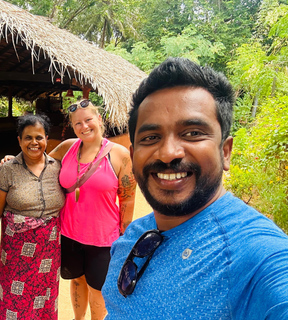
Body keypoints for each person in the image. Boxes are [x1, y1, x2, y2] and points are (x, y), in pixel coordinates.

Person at [101, 57, 288, 319]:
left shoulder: (258, 257)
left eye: (192, 133)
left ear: (225, 151)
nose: (168, 153)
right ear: (133, 155)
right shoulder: (136, 233)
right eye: (151, 137)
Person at [1, 101, 136, 319]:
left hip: (103, 238)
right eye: (78, 123)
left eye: (88, 120)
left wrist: (123, 238)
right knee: (76, 280)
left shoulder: (120, 155)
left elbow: (128, 200)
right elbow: (40, 159)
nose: (84, 127)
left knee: (97, 289)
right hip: (69, 234)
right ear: (73, 127)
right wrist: (13, 161)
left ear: (99, 120)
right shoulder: (68, 147)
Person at [0, 114, 65, 320]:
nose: (34, 142)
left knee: (45, 300)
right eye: (28, 138)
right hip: (16, 254)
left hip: (49, 252)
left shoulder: (58, 167)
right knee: (14, 302)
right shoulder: (8, 169)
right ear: (19, 140)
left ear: (47, 139)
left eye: (39, 137)